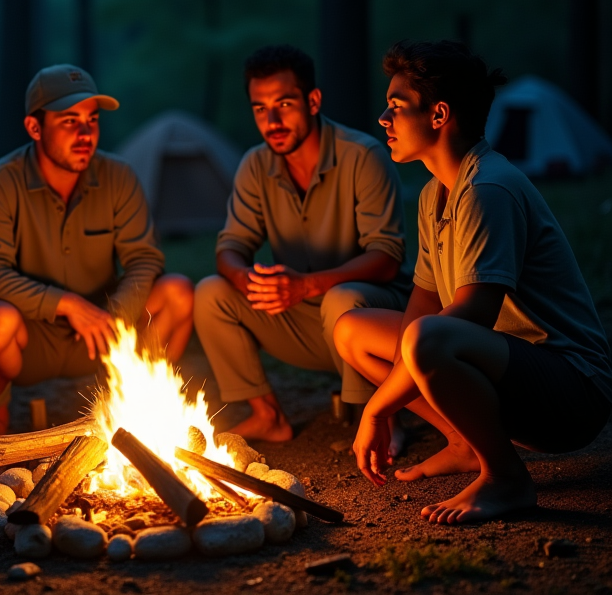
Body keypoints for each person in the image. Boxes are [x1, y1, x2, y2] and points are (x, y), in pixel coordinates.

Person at [335, 40, 612, 524]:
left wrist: (377, 409)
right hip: (506, 368)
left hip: (571, 391)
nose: (383, 119)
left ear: (439, 114)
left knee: (429, 338)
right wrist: (384, 401)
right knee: (352, 329)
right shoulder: (432, 195)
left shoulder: (489, 188)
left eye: (396, 107)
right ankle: (465, 441)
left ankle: (506, 478)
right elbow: (419, 314)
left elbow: (470, 317)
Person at [0, 64, 194, 450]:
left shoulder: (119, 176)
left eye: (92, 120)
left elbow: (145, 259)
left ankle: (137, 408)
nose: (85, 133)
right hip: (32, 334)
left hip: (105, 329)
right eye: (69, 121)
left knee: (179, 292)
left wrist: (117, 317)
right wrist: (65, 304)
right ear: (35, 128)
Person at [193, 44, 411, 443]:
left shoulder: (363, 156)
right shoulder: (255, 165)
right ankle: (268, 416)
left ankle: (383, 417)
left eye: (284, 104)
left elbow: (387, 259)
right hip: (302, 320)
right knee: (211, 292)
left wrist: (306, 285)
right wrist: (245, 279)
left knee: (341, 298)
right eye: (260, 108)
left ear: (312, 101)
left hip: (372, 315)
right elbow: (229, 248)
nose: (272, 120)